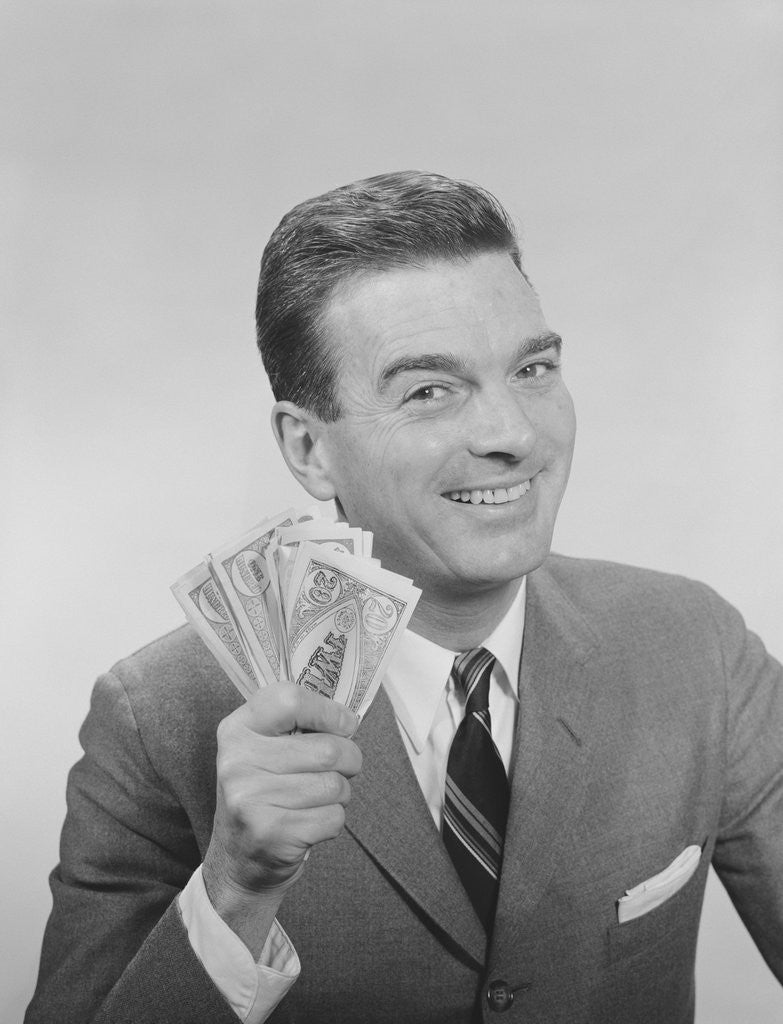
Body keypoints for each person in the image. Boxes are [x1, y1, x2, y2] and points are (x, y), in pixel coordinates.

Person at [25, 172, 783, 1024]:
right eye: (429, 390)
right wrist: (235, 893)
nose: (513, 435)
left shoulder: (697, 648)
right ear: (309, 450)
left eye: (532, 368)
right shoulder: (155, 719)